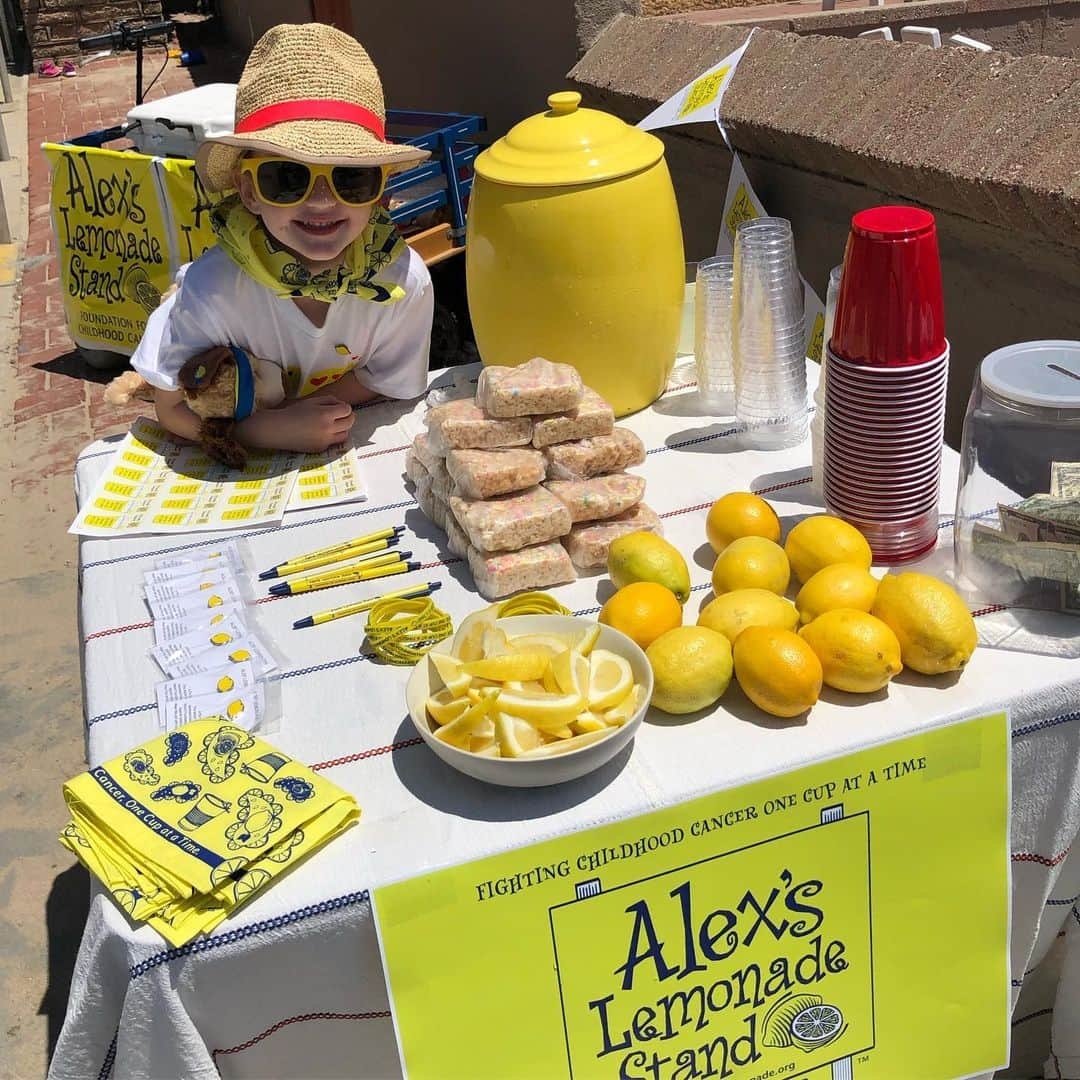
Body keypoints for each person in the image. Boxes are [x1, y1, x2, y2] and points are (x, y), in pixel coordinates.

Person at [131, 22, 434, 453]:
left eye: (351, 177)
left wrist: (304, 410)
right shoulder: (213, 291)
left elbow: (383, 378)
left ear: (379, 193)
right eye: (288, 178)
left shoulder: (401, 282)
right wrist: (263, 430)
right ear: (249, 191)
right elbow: (171, 408)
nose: (323, 201)